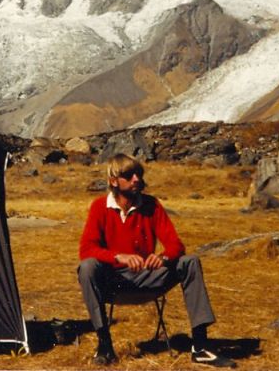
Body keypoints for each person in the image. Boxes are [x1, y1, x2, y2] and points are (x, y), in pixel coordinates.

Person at [78, 154, 235, 367]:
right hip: (113, 281)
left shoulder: (151, 205)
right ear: (114, 181)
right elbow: (87, 249)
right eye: (128, 175)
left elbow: (176, 246)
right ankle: (105, 345)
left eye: (138, 174)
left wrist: (163, 257)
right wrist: (118, 256)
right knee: (87, 267)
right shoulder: (100, 207)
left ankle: (200, 347)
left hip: (147, 277)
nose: (136, 179)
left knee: (189, 261)